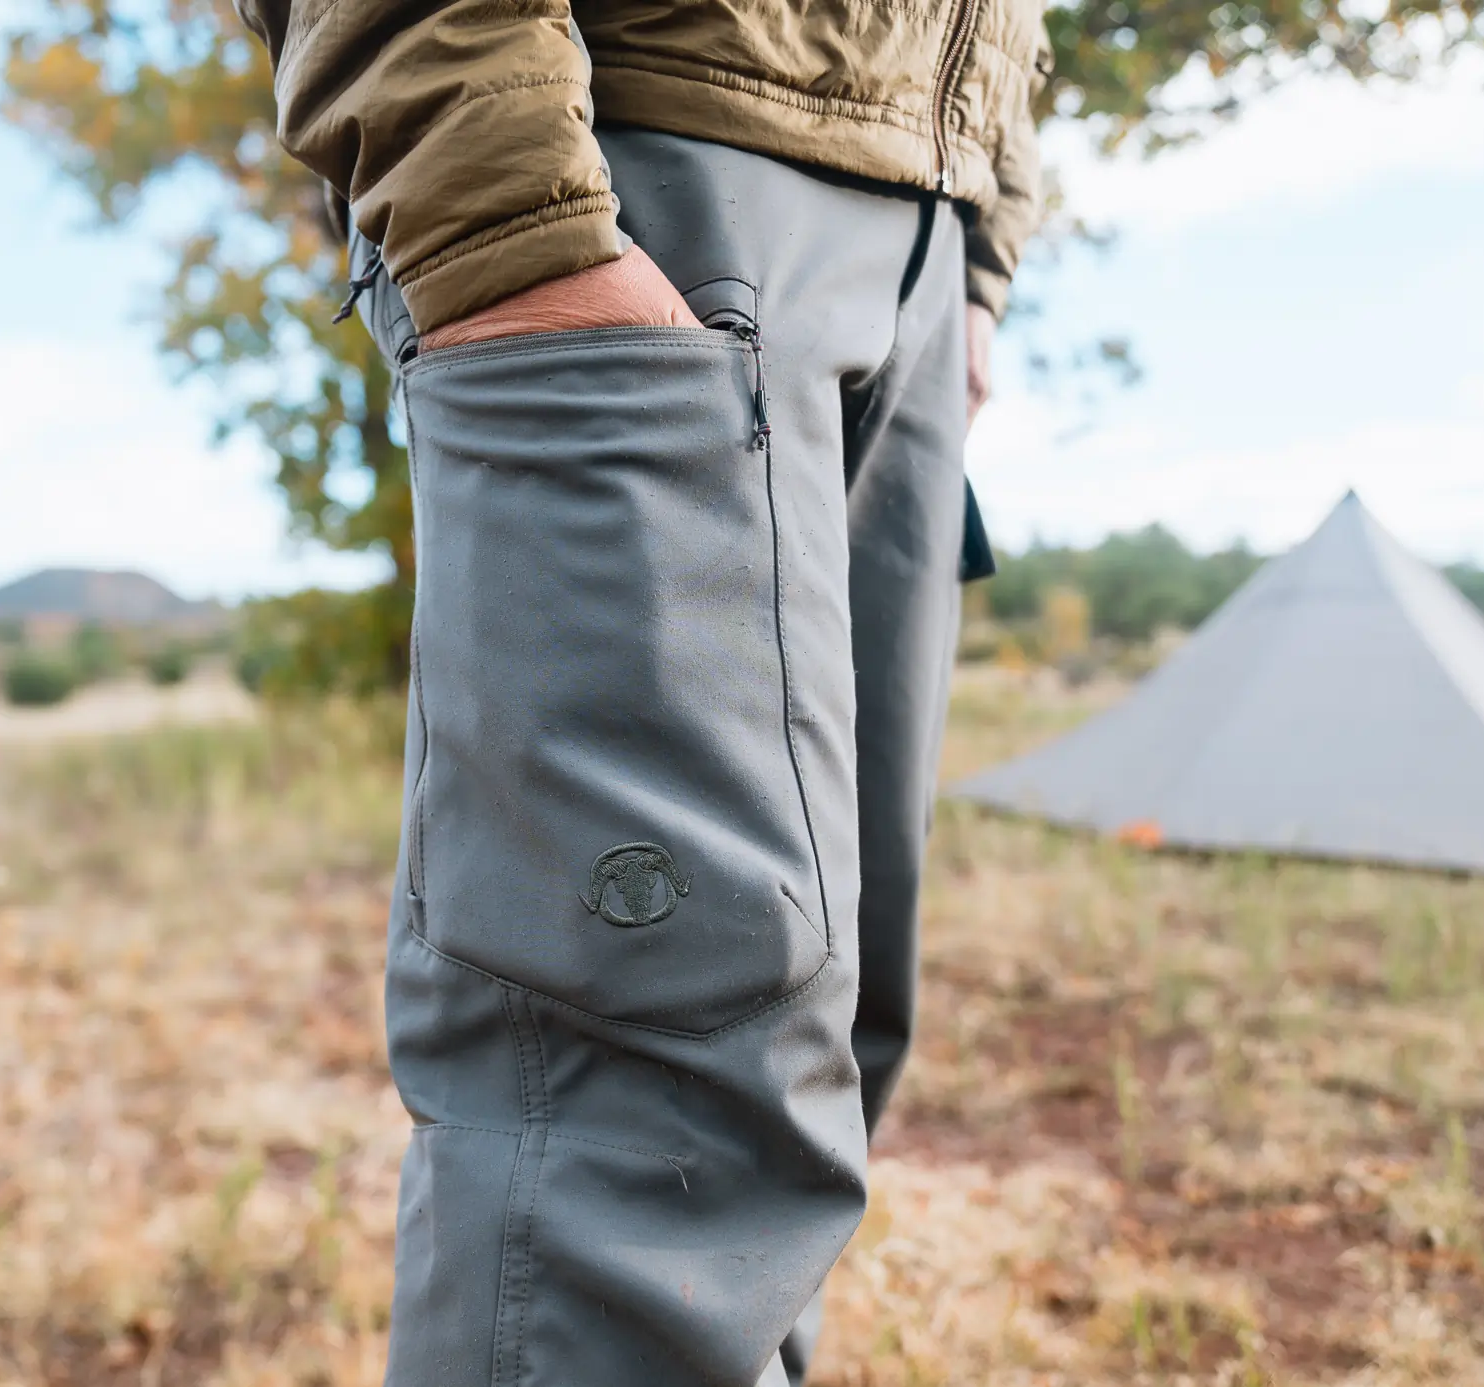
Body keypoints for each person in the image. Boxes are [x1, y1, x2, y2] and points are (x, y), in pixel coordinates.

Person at [234, 0, 1048, 1380]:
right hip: (628, 158)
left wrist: (977, 260)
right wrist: (500, 208)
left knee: (819, 1037)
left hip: (919, 204)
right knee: (656, 1072)